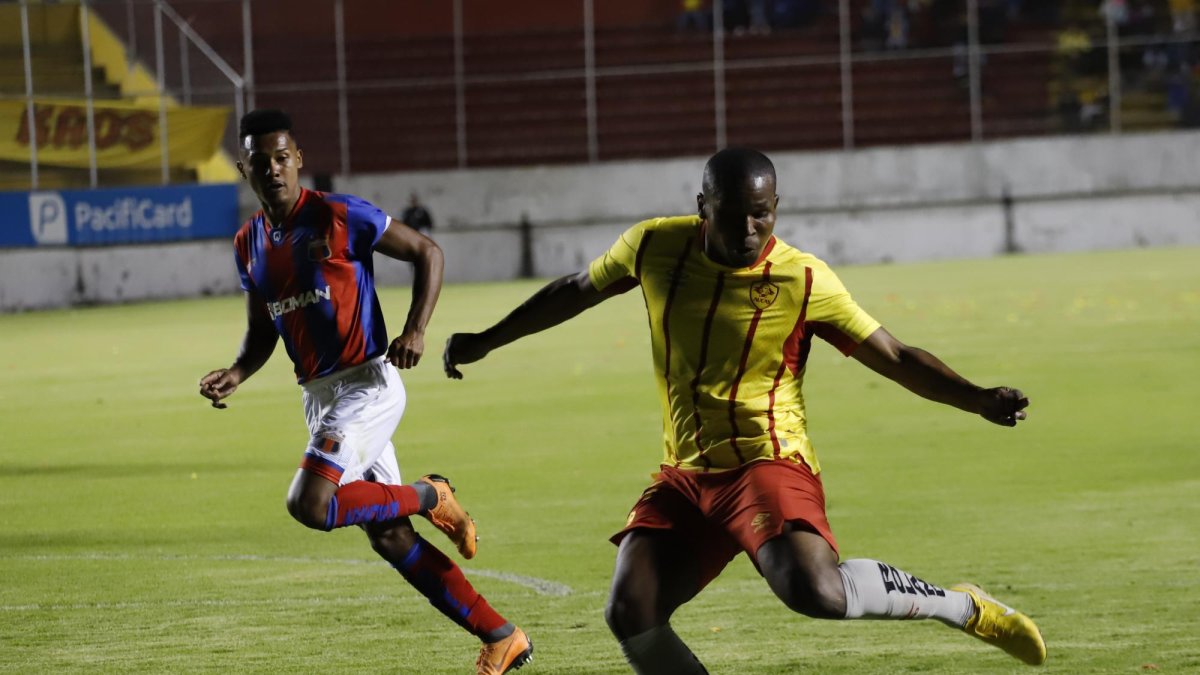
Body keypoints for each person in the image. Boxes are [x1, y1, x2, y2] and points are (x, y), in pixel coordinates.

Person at [442, 148, 1045, 673]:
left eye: (764, 213)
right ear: (703, 205)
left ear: (777, 206)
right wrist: (488, 339)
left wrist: (975, 398)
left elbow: (892, 353)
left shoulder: (803, 278)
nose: (750, 228)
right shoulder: (655, 245)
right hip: (686, 473)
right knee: (632, 610)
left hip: (769, 461)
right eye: (734, 215)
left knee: (814, 591)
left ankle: (961, 605)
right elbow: (576, 289)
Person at [198, 109, 532, 675]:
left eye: (283, 158)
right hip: (320, 397)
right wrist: (236, 372)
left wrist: (416, 329)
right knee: (389, 536)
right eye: (261, 162)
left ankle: (431, 494)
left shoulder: (338, 214)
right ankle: (502, 636)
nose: (274, 169)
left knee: (310, 504)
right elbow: (263, 328)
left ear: (298, 158)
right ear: (244, 169)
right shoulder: (248, 243)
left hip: (368, 384)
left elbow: (429, 252)